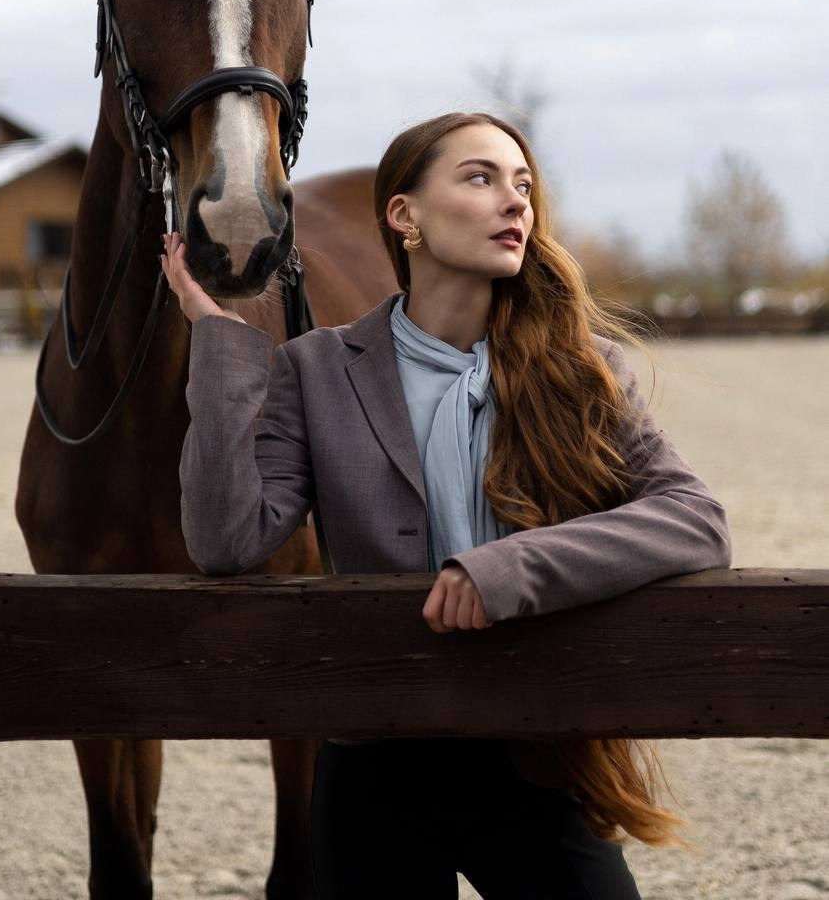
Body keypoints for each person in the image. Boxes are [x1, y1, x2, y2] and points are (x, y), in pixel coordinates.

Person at [163, 111, 731, 900]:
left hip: (534, 754)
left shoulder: (583, 369)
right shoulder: (317, 368)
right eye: (480, 178)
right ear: (405, 216)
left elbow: (694, 519)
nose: (515, 203)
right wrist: (219, 343)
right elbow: (225, 541)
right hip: (372, 760)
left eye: (523, 185)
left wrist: (509, 568)